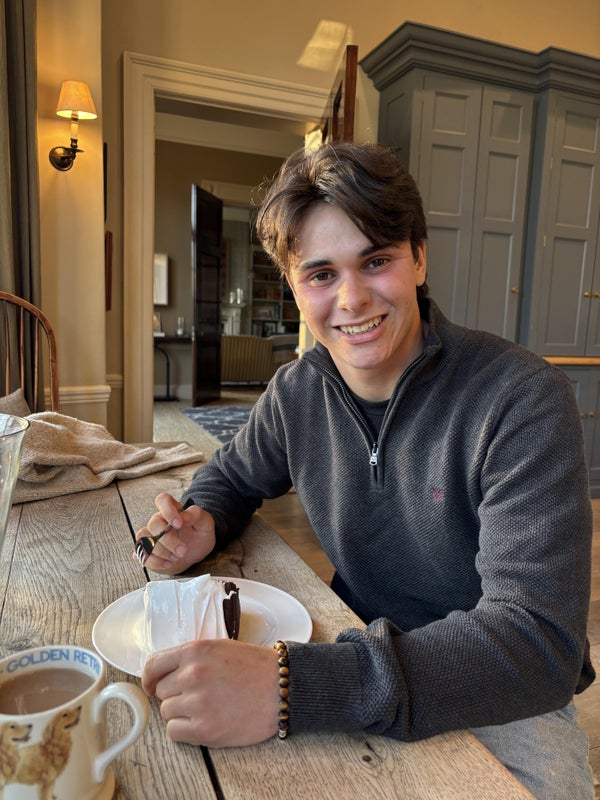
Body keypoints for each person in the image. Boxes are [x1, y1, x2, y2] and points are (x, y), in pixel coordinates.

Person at [136, 141, 595, 799]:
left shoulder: (520, 397)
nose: (351, 299)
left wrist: (290, 687)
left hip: (495, 684)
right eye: (321, 274)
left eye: (376, 261)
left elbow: (538, 643)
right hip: (355, 642)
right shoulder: (297, 392)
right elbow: (233, 477)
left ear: (419, 258)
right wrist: (202, 517)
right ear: (293, 285)